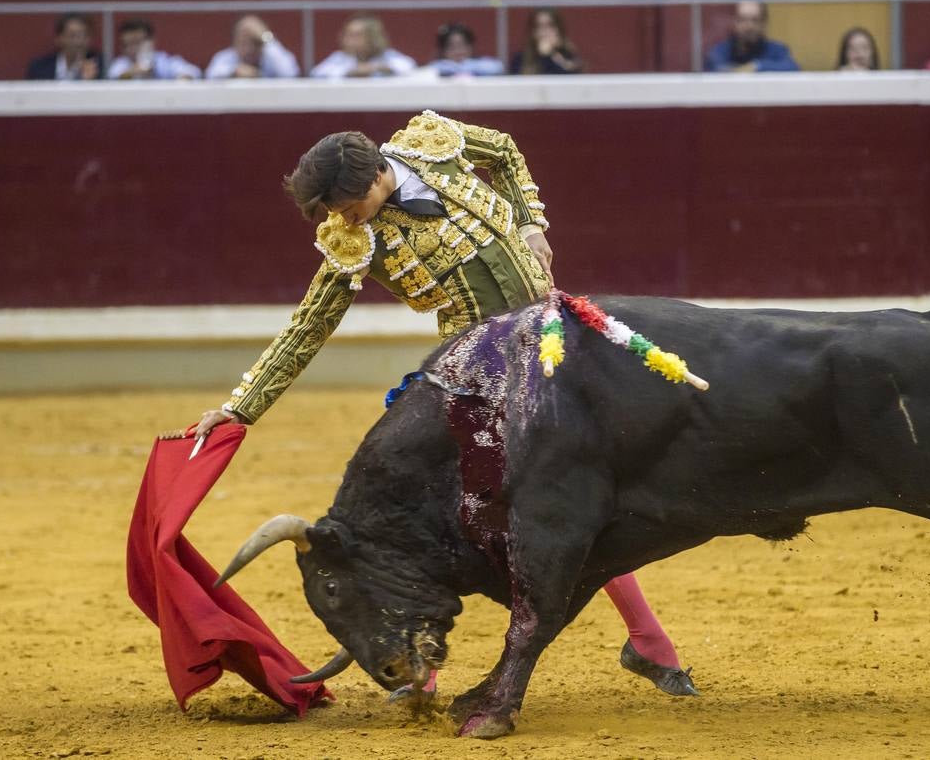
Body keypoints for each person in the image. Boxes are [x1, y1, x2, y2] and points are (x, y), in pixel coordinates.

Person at [192, 111, 697, 700]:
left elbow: (505, 151)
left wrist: (533, 223)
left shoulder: (433, 145)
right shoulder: (355, 238)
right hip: (476, 371)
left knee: (585, 492)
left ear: (377, 175)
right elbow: (310, 324)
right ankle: (419, 661)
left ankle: (646, 640)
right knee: (485, 508)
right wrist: (241, 406)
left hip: (556, 341)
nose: (342, 220)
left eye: (346, 205)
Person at [309, 13, 417, 79]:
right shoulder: (340, 58)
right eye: (347, 34)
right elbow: (317, 74)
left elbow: (409, 67)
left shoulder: (386, 56)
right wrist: (350, 72)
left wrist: (378, 68)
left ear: (373, 37)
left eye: (357, 35)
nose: (349, 39)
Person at [705, 0, 800, 73]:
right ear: (735, 23)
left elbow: (792, 67)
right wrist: (739, 70)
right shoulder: (721, 50)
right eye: (743, 20)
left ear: (763, 24)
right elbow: (714, 68)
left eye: (755, 20)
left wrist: (756, 66)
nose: (749, 26)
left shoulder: (777, 50)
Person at [205, 15, 300, 80]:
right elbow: (210, 75)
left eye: (254, 42)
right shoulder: (226, 57)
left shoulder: (269, 55)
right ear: (235, 40)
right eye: (243, 42)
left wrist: (265, 37)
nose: (248, 48)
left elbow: (290, 72)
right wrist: (234, 72)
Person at [107, 18, 202, 80]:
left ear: (151, 41)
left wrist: (182, 78)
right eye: (127, 44)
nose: (132, 48)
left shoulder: (164, 60)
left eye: (137, 42)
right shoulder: (121, 63)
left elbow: (194, 72)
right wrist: (133, 72)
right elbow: (115, 76)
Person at [26, 12, 103, 80]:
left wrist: (91, 82)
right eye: (72, 35)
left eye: (84, 35)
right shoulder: (40, 68)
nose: (79, 41)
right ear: (59, 38)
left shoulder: (100, 66)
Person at [510, 8, 584, 75]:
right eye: (539, 26)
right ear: (532, 32)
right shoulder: (520, 59)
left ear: (559, 30)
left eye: (550, 25)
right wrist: (544, 57)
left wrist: (550, 56)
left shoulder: (569, 56)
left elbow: (569, 82)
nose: (545, 32)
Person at [429, 22, 505, 77]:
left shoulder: (481, 64)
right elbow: (429, 72)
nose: (458, 51)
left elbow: (497, 67)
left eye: (462, 45)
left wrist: (464, 68)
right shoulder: (437, 67)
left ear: (471, 46)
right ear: (443, 50)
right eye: (451, 46)